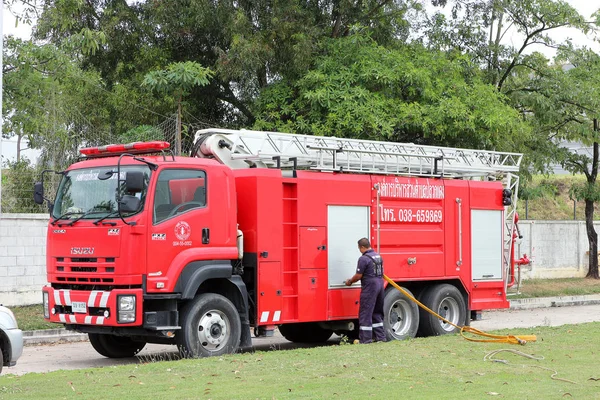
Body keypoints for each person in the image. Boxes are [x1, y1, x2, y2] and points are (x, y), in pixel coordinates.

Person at [345, 238, 386, 344]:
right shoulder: (378, 256)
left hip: (370, 287)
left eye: (359, 248)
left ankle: (365, 339)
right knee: (377, 311)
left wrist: (350, 281)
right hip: (380, 285)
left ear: (362, 247)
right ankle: (380, 337)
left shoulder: (363, 259)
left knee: (365, 312)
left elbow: (358, 276)